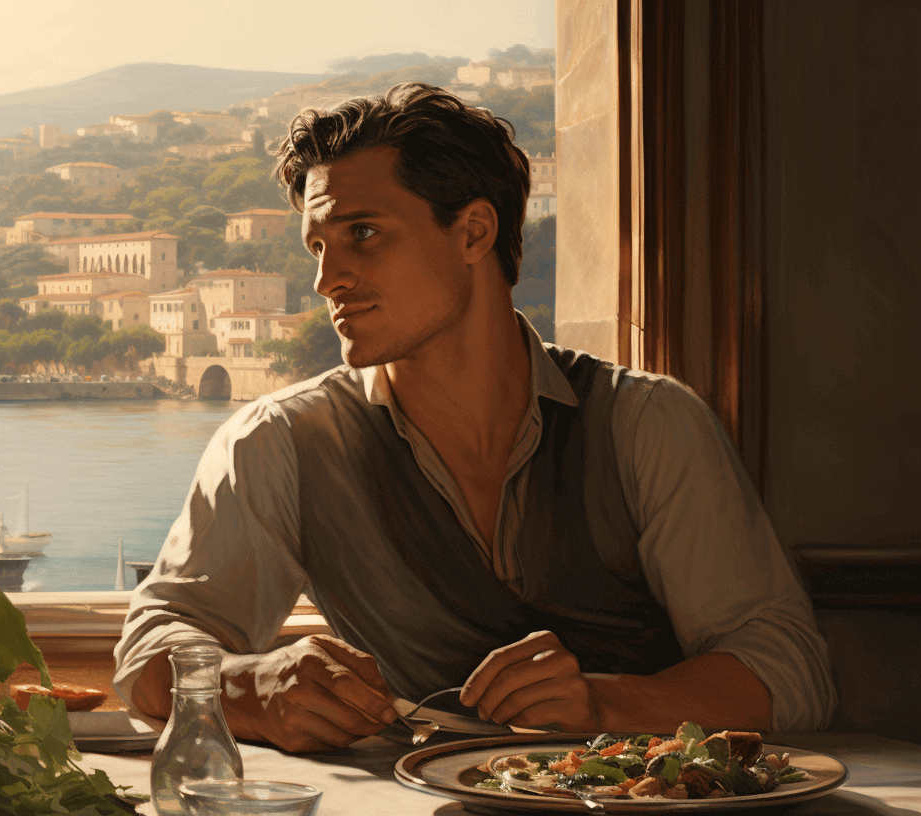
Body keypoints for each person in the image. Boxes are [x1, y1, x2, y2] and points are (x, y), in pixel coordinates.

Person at [113, 82, 835, 753]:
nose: (326, 279)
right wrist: (246, 687)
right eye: (317, 246)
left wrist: (600, 705)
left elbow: (789, 671)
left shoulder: (648, 424)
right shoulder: (279, 443)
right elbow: (149, 649)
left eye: (362, 233)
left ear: (473, 233)